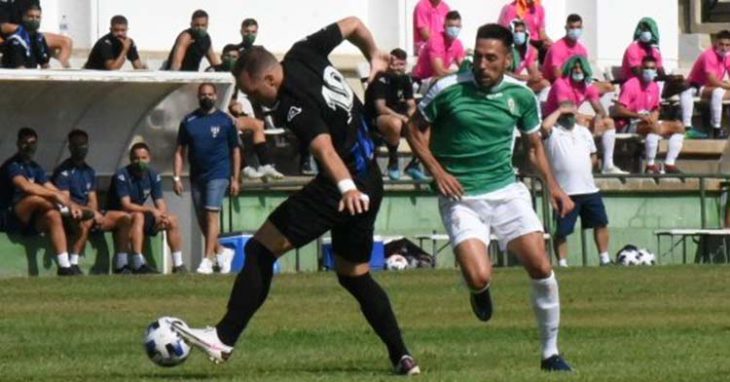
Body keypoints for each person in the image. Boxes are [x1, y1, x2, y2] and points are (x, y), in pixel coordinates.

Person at [172, 17, 421, 376]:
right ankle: (403, 357)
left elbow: (324, 149)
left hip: (343, 184)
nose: (255, 101)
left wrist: (345, 189)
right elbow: (352, 24)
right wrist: (374, 55)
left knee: (261, 249)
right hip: (371, 178)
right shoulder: (304, 52)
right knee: (354, 275)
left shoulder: (290, 104)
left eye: (255, 93)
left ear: (271, 79)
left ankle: (223, 338)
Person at [404, 23, 574, 371]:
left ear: (507, 59)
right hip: (461, 197)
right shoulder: (447, 88)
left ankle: (550, 354)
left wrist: (554, 187)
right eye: (478, 56)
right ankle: (478, 290)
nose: (482, 64)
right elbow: (412, 128)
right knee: (479, 276)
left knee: (541, 266)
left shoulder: (522, 96)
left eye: (491, 58)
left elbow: (533, 147)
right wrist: (437, 171)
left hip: (506, 190)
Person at [174, 83, 241, 274]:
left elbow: (235, 151)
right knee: (202, 219)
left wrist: (235, 178)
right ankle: (221, 251)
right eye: (203, 94)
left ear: (216, 96)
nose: (207, 97)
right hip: (197, 175)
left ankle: (207, 260)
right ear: (198, 96)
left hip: (219, 174)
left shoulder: (225, 121)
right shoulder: (189, 121)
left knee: (212, 214)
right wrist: (177, 177)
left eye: (210, 94)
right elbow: (179, 151)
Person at [52, 129, 137, 275]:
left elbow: (92, 199)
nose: (81, 148)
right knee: (86, 220)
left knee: (125, 218)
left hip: (89, 212)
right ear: (70, 147)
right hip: (71, 213)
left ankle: (121, 264)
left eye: (84, 144)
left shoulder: (89, 171)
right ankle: (73, 264)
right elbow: (65, 200)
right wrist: (90, 213)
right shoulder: (63, 171)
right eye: (77, 145)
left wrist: (94, 211)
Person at [0, 128, 81, 276]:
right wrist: (56, 197)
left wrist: (71, 204)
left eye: (32, 143)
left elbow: (52, 189)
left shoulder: (35, 167)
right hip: (10, 217)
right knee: (36, 198)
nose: (29, 146)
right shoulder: (11, 165)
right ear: (18, 144)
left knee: (53, 216)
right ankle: (66, 214)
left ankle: (65, 266)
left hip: (29, 220)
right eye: (25, 143)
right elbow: (26, 186)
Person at [541, 102, 612, 267]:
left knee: (600, 223)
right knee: (562, 231)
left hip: (589, 189)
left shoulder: (584, 132)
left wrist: (585, 168)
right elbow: (544, 127)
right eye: (565, 115)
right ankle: (563, 263)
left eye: (571, 114)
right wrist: (559, 110)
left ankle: (604, 258)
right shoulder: (554, 132)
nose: (569, 118)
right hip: (565, 191)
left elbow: (593, 154)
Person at [106, 143, 186, 274]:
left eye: (143, 158)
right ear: (130, 159)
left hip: (139, 214)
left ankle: (178, 265)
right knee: (138, 216)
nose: (139, 162)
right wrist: (151, 210)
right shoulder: (121, 175)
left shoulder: (153, 175)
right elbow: (126, 205)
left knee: (173, 220)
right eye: (136, 158)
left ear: (149, 158)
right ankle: (137, 262)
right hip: (120, 215)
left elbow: (160, 202)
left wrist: (162, 215)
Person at [544, 55, 626, 174]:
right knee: (580, 121)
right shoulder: (561, 84)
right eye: (575, 68)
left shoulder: (587, 86)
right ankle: (582, 160)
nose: (578, 70)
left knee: (608, 122)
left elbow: (601, 111)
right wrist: (588, 118)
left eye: (581, 68)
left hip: (574, 118)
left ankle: (608, 165)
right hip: (555, 120)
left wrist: (597, 118)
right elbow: (566, 109)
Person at [613, 56, 685, 174]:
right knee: (655, 127)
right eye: (646, 68)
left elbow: (656, 108)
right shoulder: (630, 85)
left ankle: (669, 163)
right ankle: (650, 164)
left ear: (656, 70)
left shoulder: (654, 86)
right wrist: (638, 116)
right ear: (641, 69)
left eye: (652, 68)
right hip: (628, 123)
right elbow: (619, 109)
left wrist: (654, 115)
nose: (649, 71)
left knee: (679, 126)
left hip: (647, 122)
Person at [365, 48, 424, 180]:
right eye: (396, 64)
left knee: (425, 124)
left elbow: (411, 104)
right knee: (395, 123)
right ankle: (393, 162)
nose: (398, 68)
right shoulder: (380, 79)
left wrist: (413, 117)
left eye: (402, 64)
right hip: (378, 120)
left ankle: (415, 164)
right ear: (390, 63)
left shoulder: (406, 79)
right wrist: (402, 117)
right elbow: (381, 108)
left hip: (400, 117)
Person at [680, 30, 730, 139]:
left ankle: (717, 129)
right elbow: (712, 80)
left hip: (712, 87)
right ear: (716, 43)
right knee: (718, 92)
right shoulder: (709, 55)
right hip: (697, 87)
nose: (724, 48)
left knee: (719, 91)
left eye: (727, 45)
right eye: (721, 44)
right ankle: (716, 128)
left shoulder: (727, 56)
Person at [0, 0, 72, 68]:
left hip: (32, 34)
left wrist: (32, 31)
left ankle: (62, 71)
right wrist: (23, 30)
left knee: (66, 42)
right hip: (13, 37)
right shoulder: (5, 3)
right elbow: (4, 27)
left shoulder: (33, 1)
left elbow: (36, 16)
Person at [412, 10, 465, 81]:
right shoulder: (436, 41)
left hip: (439, 79)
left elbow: (464, 67)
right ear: (444, 26)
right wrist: (459, 72)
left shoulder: (458, 44)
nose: (454, 29)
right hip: (423, 80)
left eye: (457, 26)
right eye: (451, 26)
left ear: (460, 27)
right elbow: (439, 71)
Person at [1, 2, 50, 69]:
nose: (34, 20)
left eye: (37, 17)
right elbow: (20, 70)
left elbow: (45, 64)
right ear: (24, 17)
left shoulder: (39, 38)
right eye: (31, 16)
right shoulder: (15, 40)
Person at [542, 14, 587, 84]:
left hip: (575, 83)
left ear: (582, 28)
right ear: (566, 28)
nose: (575, 30)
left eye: (578, 27)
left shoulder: (582, 50)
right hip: (554, 84)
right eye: (572, 27)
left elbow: (585, 71)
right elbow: (557, 75)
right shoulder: (557, 47)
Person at [507, 19, 549, 95]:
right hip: (507, 82)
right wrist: (521, 77)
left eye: (521, 31)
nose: (518, 34)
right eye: (516, 31)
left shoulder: (530, 51)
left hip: (522, 83)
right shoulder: (506, 50)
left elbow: (534, 73)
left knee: (545, 84)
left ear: (526, 34)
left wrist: (536, 76)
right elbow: (503, 73)